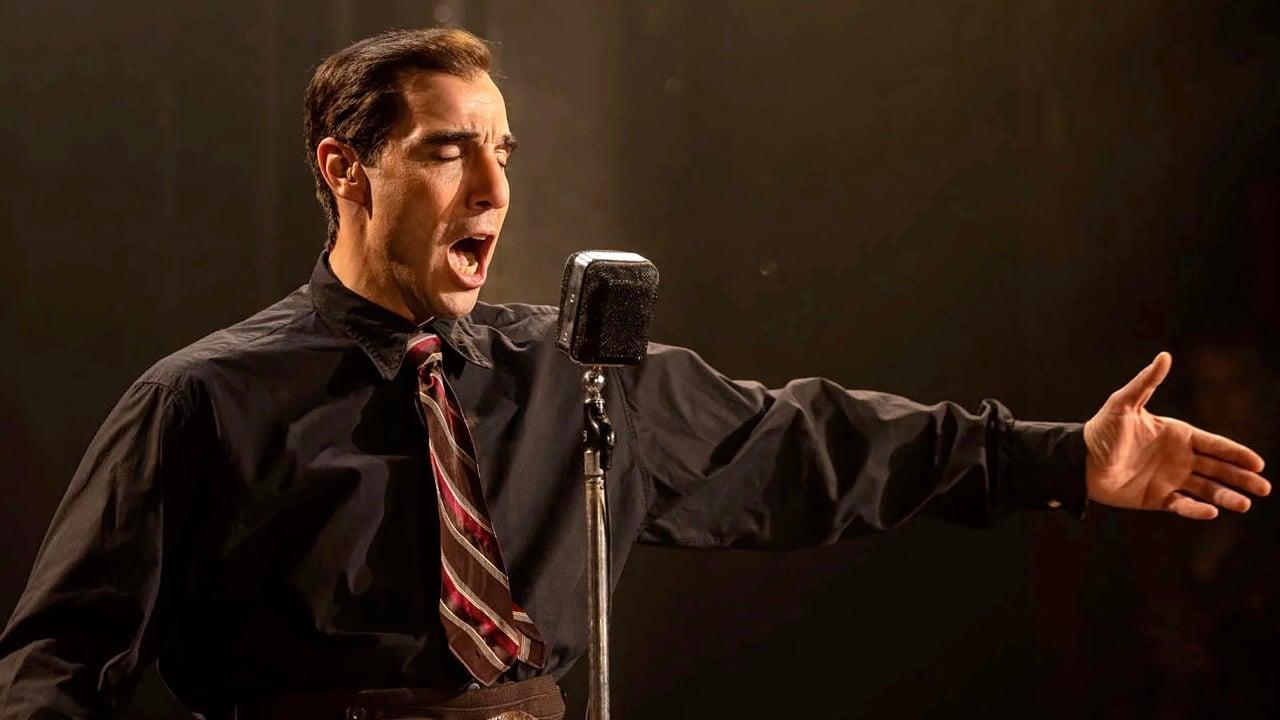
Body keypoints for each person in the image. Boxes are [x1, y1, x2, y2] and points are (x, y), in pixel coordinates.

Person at [0, 27, 1268, 720]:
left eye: (503, 153)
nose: (492, 188)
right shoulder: (206, 400)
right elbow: (56, 667)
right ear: (344, 169)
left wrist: (1062, 458)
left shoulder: (577, 377)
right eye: (446, 151)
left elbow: (810, 443)